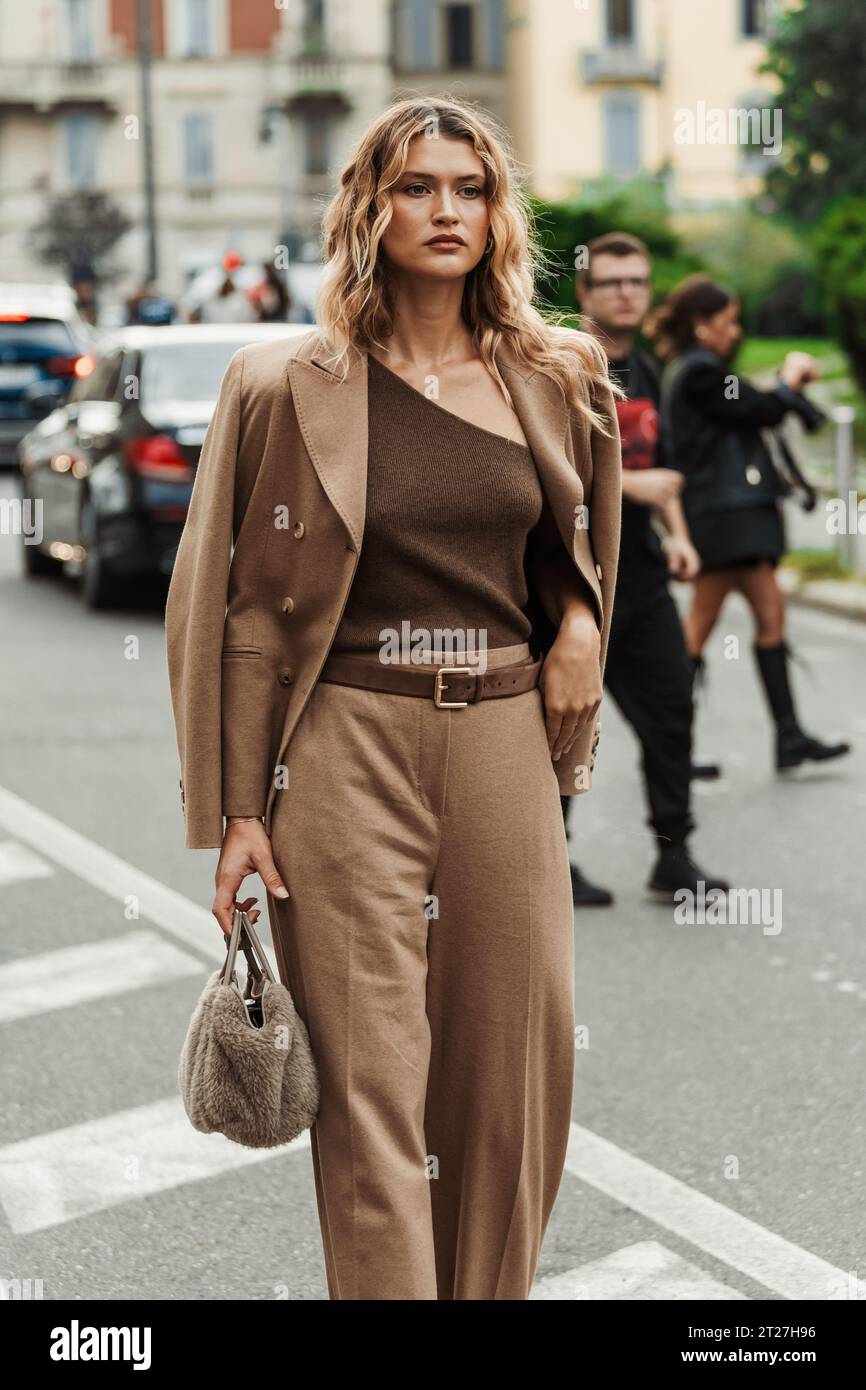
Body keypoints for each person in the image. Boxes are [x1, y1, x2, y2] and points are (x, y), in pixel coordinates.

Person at [165, 96, 622, 1300]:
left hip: (501, 741)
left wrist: (580, 624)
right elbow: (238, 616)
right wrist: (233, 815)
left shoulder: (557, 374)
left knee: (510, 1071)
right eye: (416, 187)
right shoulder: (279, 384)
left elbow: (582, 549)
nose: (445, 211)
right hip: (339, 748)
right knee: (369, 1086)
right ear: (369, 208)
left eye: (468, 189)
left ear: (496, 214)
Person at [561, 233, 728, 907]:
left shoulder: (652, 373)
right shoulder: (564, 366)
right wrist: (636, 487)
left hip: (645, 579)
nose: (627, 292)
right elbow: (550, 474)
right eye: (612, 282)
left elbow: (663, 476)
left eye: (637, 281)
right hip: (574, 585)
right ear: (585, 292)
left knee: (671, 711)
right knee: (567, 727)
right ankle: (554, 860)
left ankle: (673, 854)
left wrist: (679, 536)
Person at [648, 275, 851, 772]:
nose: (735, 332)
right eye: (728, 321)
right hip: (727, 520)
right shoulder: (699, 373)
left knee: (763, 616)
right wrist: (788, 380)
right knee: (703, 629)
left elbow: (753, 408)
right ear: (702, 325)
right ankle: (676, 748)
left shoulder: (694, 371)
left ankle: (785, 736)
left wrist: (783, 389)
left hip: (728, 519)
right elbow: (759, 410)